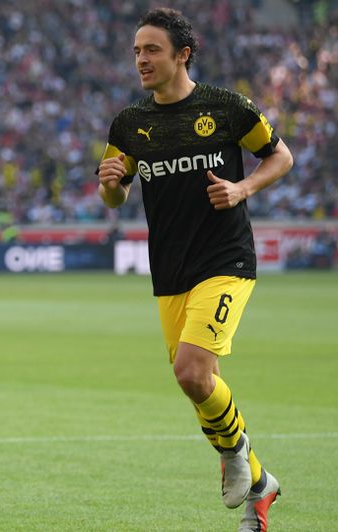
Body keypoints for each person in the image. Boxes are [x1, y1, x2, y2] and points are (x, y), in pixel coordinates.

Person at [96, 8, 293, 532]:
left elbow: (281, 157)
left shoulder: (226, 108)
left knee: (190, 371)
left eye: (152, 49)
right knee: (198, 384)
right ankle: (258, 488)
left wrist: (242, 188)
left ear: (182, 54)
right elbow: (113, 196)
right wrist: (113, 183)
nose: (141, 58)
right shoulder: (129, 124)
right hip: (170, 271)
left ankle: (237, 455)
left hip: (226, 259)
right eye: (137, 50)